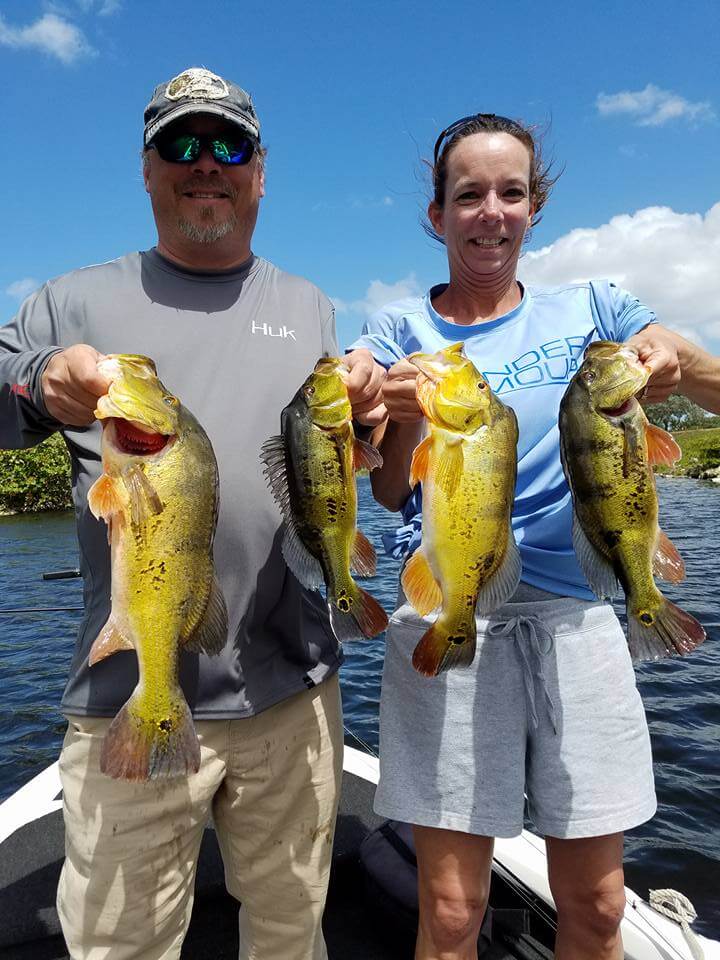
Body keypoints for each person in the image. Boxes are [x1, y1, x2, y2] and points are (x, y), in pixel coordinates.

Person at [0, 67, 385, 960]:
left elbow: (336, 459)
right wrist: (34, 380)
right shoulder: (71, 299)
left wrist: (365, 416)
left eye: (228, 145)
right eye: (180, 144)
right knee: (121, 945)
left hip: (294, 694)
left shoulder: (310, 305)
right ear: (146, 168)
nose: (204, 163)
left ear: (260, 171)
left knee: (291, 934)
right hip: (126, 693)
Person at [348, 113, 720, 960]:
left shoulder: (597, 311)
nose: (491, 212)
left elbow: (710, 386)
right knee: (448, 912)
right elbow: (389, 486)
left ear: (533, 206)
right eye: (468, 194)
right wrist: (391, 410)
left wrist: (673, 360)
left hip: (580, 617)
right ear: (436, 215)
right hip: (452, 605)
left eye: (510, 193)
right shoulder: (400, 329)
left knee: (595, 905)